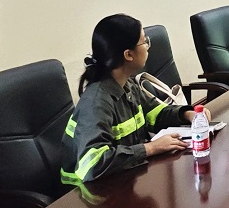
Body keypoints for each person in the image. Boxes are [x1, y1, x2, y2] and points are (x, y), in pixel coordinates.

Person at [62, 14, 204, 184]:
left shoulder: (127, 84)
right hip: (85, 193)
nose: (148, 47)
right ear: (128, 54)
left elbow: (155, 113)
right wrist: (150, 148)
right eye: (144, 42)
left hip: (122, 179)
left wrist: (187, 114)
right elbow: (93, 165)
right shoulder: (96, 103)